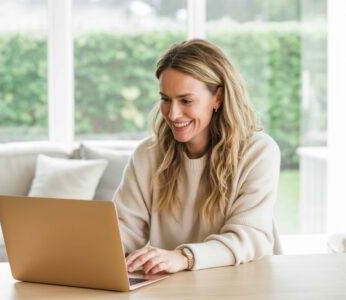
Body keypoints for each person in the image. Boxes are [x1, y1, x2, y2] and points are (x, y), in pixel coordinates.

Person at [113, 39, 281, 274]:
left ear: (218, 97)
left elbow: (250, 236)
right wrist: (89, 249)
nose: (172, 113)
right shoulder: (148, 154)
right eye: (165, 99)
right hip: (175, 289)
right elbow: (125, 229)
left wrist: (184, 257)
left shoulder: (258, 152)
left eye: (186, 100)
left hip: (243, 285)